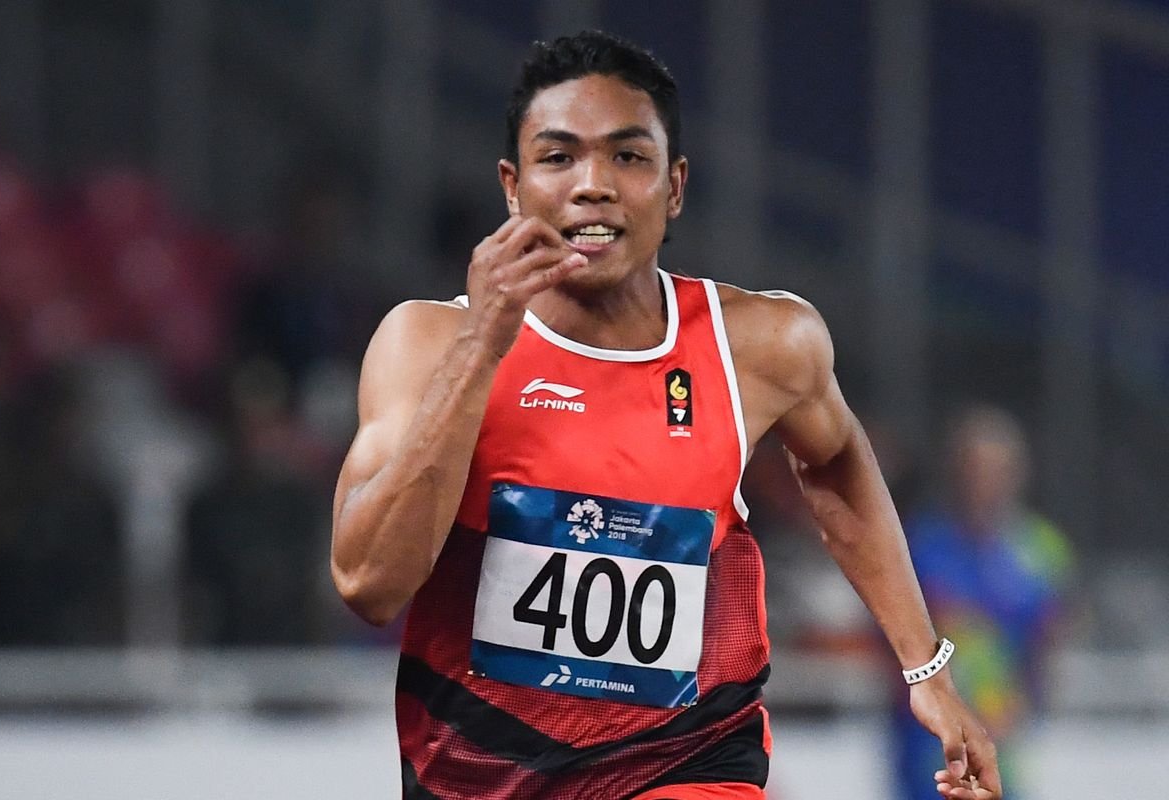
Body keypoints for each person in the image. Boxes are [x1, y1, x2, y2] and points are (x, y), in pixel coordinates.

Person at [331, 31, 1000, 800]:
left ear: (675, 186)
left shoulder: (762, 345)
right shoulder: (425, 344)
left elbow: (839, 462)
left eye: (628, 156)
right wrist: (480, 350)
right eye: (559, 157)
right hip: (479, 776)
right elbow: (368, 583)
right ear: (513, 187)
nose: (593, 185)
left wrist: (926, 670)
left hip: (689, 763)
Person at [892, 405, 1073, 800]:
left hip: (1005, 737)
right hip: (928, 742)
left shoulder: (1043, 549)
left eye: (995, 469)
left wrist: (1024, 705)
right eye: (972, 467)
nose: (983, 481)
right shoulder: (917, 545)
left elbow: (1048, 642)